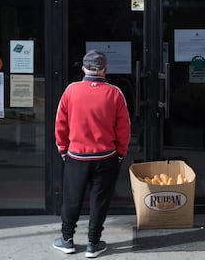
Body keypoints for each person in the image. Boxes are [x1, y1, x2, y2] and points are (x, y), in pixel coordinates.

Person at [53, 50, 131, 258]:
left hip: (76, 156)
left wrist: (63, 150)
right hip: (106, 157)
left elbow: (60, 124)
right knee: (100, 200)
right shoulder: (115, 93)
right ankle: (93, 243)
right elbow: (124, 128)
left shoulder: (71, 90)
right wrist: (120, 154)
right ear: (105, 70)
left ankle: (67, 239)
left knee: (71, 198)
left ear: (83, 69)